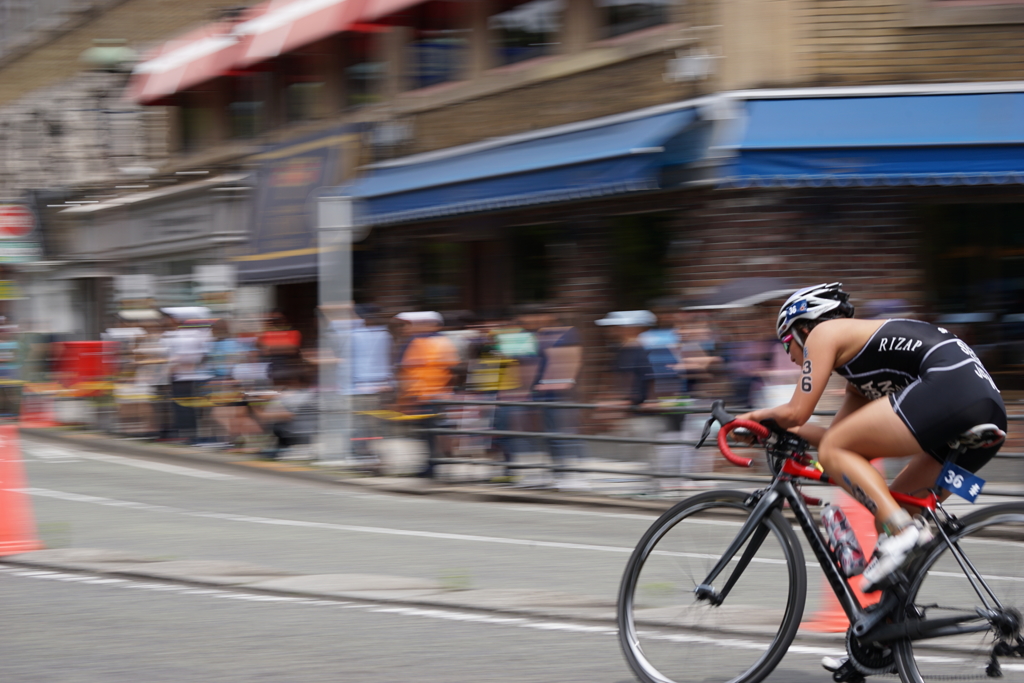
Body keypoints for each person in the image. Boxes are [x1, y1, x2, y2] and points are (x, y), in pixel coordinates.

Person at [738, 283, 1007, 597]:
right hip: (986, 415)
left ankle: (904, 531)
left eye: (787, 344)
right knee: (893, 508)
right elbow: (835, 442)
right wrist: (777, 432)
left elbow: (797, 412)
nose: (792, 357)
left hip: (951, 388)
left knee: (894, 522)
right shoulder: (862, 377)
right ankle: (892, 632)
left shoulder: (824, 334)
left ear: (805, 327)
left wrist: (746, 419)